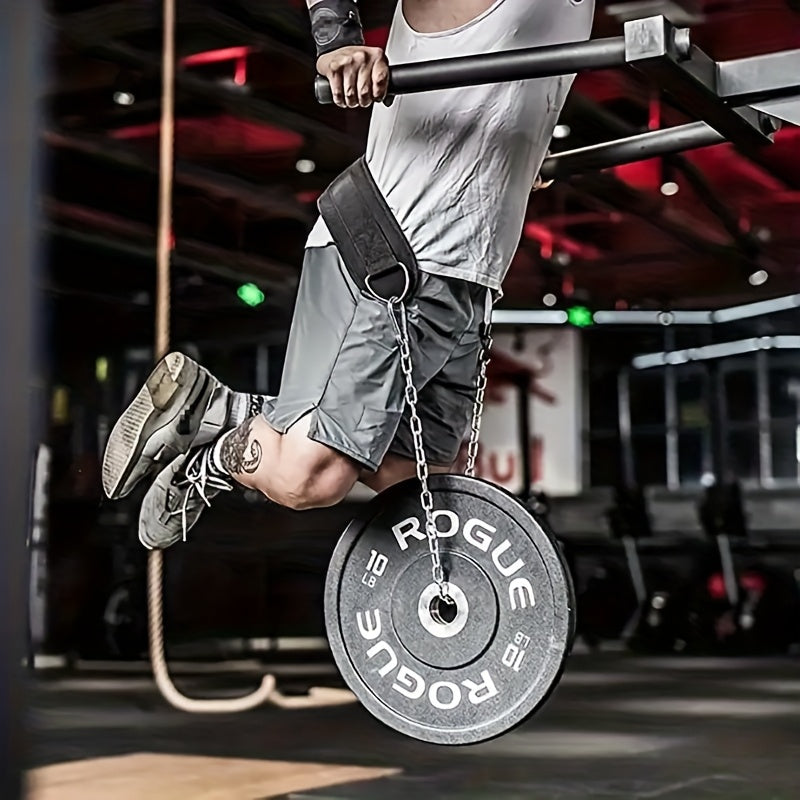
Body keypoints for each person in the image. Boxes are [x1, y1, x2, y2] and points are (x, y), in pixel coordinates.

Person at [102, 0, 596, 548]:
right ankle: (212, 443)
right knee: (308, 478)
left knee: (414, 491)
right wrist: (336, 38)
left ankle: (227, 412)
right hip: (394, 253)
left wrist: (522, 150)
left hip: (468, 277)